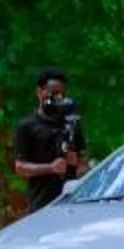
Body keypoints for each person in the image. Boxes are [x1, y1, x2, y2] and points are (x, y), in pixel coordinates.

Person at [12, 67, 87, 210]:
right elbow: (20, 167)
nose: (58, 98)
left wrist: (77, 163)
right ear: (40, 92)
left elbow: (85, 164)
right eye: (54, 93)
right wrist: (50, 168)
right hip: (41, 202)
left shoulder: (71, 123)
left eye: (62, 94)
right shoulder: (27, 126)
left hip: (72, 201)